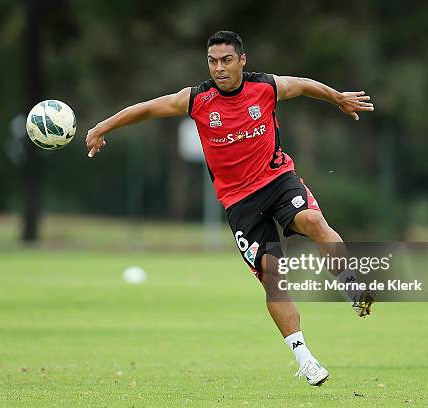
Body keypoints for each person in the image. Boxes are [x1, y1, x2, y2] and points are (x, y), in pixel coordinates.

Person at [86, 30, 375, 387]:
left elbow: (301, 84)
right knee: (274, 276)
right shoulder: (196, 100)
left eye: (226, 60)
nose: (219, 68)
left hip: (277, 179)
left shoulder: (265, 88)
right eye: (212, 61)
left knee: (313, 220)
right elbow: (147, 108)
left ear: (242, 60)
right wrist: (103, 126)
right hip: (240, 202)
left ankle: (350, 284)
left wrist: (338, 99)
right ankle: (305, 358)